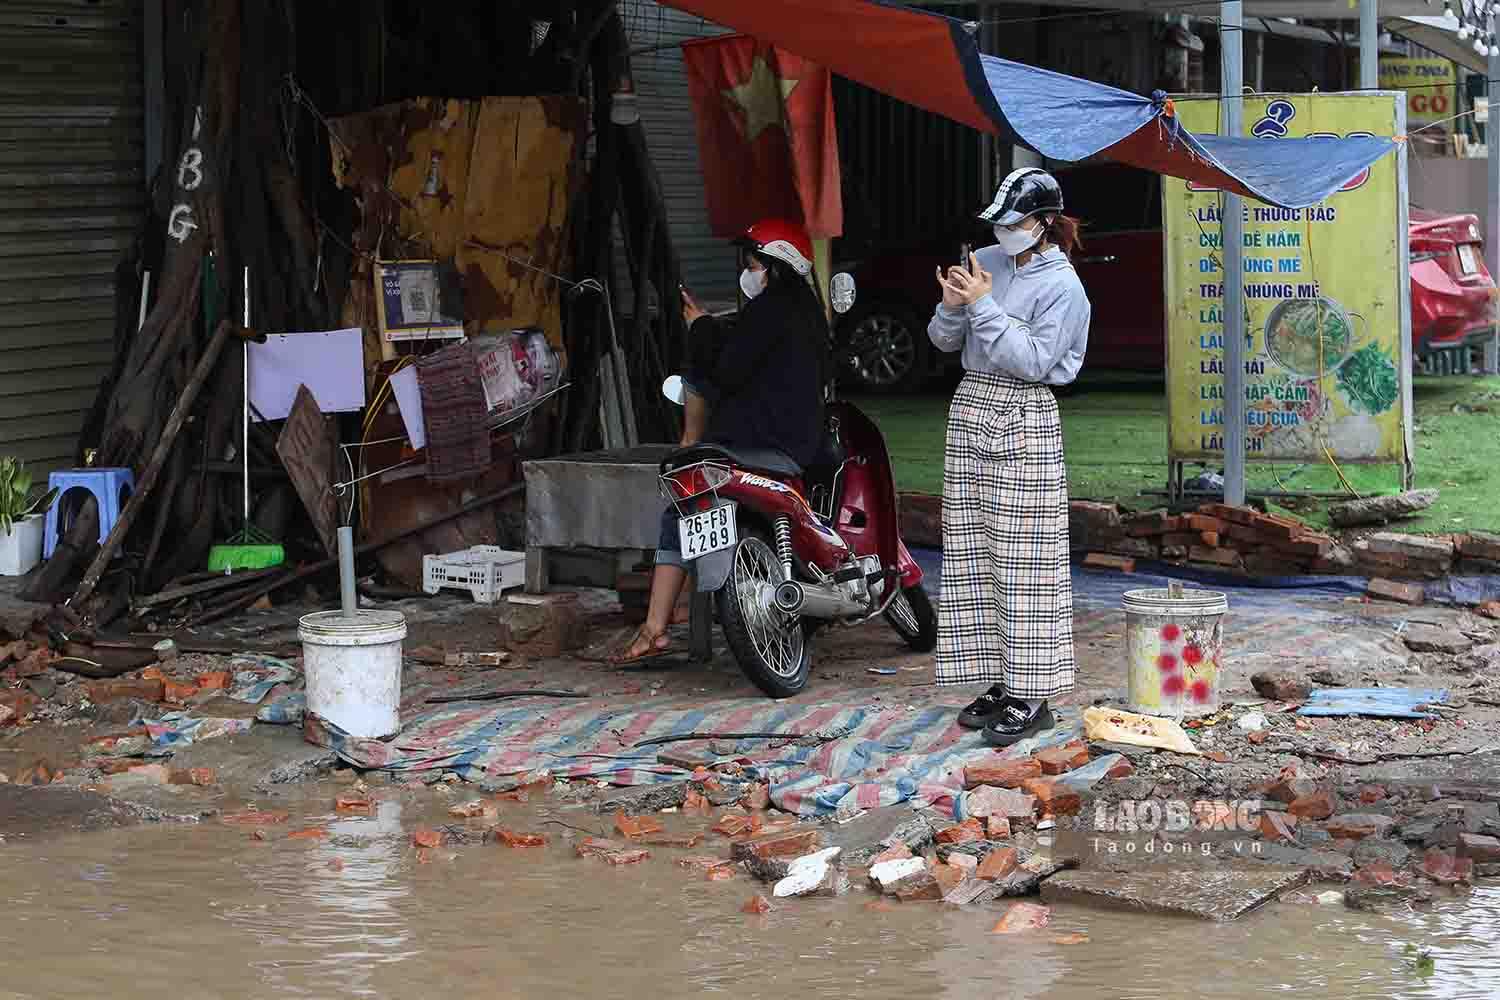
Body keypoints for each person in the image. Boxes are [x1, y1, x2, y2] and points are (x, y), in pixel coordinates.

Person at [926, 167, 1091, 746]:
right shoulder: (988, 263)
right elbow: (945, 341)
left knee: (1027, 560)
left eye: (1014, 222)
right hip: (971, 404)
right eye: (998, 222)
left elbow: (1034, 362)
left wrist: (985, 308)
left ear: (1043, 224)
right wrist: (952, 306)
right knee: (973, 555)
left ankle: (1034, 695)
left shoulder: (1064, 287)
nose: (1003, 232)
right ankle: (1000, 681)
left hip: (1022, 412)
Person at [613, 218, 827, 664]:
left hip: (756, 442)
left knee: (681, 507)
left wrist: (701, 329)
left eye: (751, 262)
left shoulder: (768, 312)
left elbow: (727, 371)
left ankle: (654, 626)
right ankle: (682, 609)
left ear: (771, 265)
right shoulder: (806, 312)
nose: (747, 270)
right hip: (798, 442)